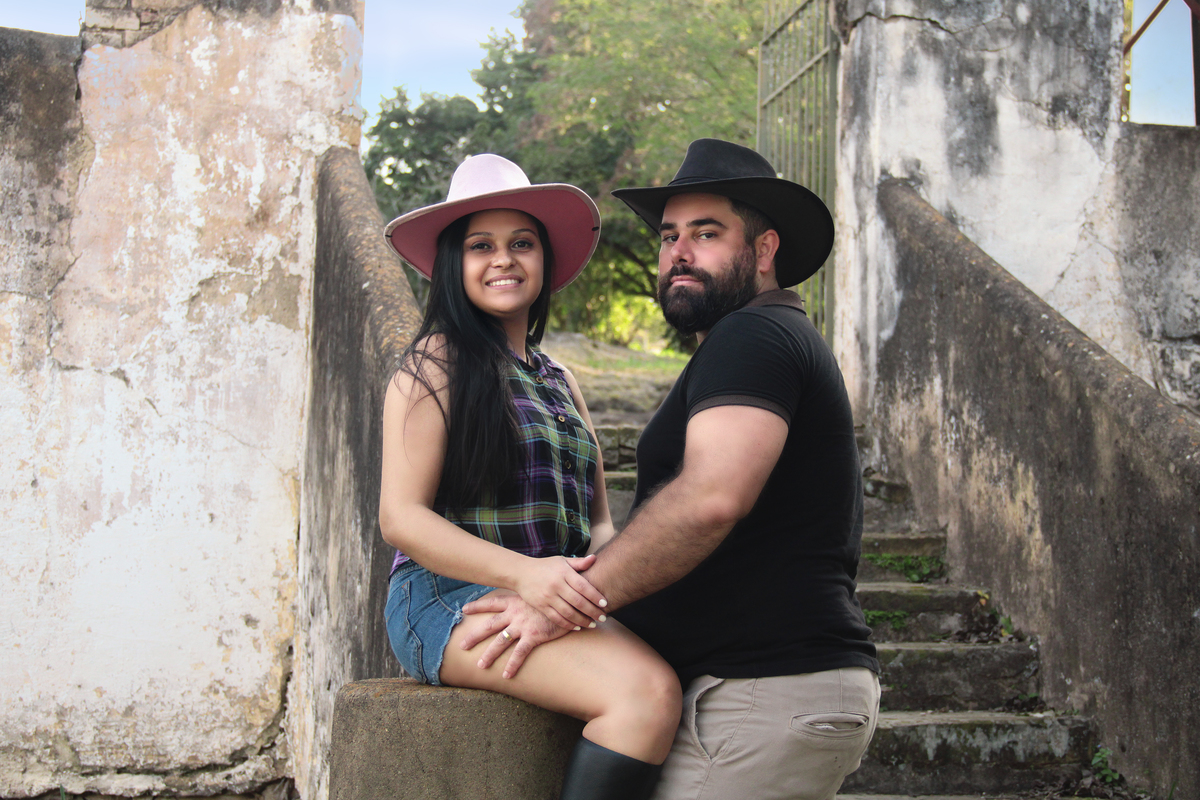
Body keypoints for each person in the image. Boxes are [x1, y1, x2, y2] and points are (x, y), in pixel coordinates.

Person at [462, 139, 881, 800]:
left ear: (764, 250)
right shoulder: (756, 341)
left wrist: (561, 609)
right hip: (761, 692)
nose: (679, 252)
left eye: (706, 234)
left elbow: (709, 497)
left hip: (758, 693)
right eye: (668, 236)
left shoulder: (753, 335)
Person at [378, 153, 680, 800]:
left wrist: (606, 585)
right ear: (454, 264)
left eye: (521, 243)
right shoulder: (433, 364)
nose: (504, 260)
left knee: (690, 659)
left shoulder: (560, 380)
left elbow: (598, 523)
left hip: (552, 595)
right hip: (446, 597)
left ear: (543, 259)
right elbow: (400, 518)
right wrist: (525, 576)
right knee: (644, 695)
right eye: (481, 246)